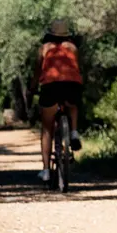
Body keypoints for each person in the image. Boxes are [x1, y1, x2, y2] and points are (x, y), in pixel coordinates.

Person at [35, 19, 83, 181]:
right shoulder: (72, 48)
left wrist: (32, 88)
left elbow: (37, 72)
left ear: (50, 34)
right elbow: (76, 69)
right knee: (73, 105)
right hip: (71, 85)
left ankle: (46, 170)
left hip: (50, 87)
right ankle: (74, 132)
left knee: (47, 129)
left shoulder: (44, 48)